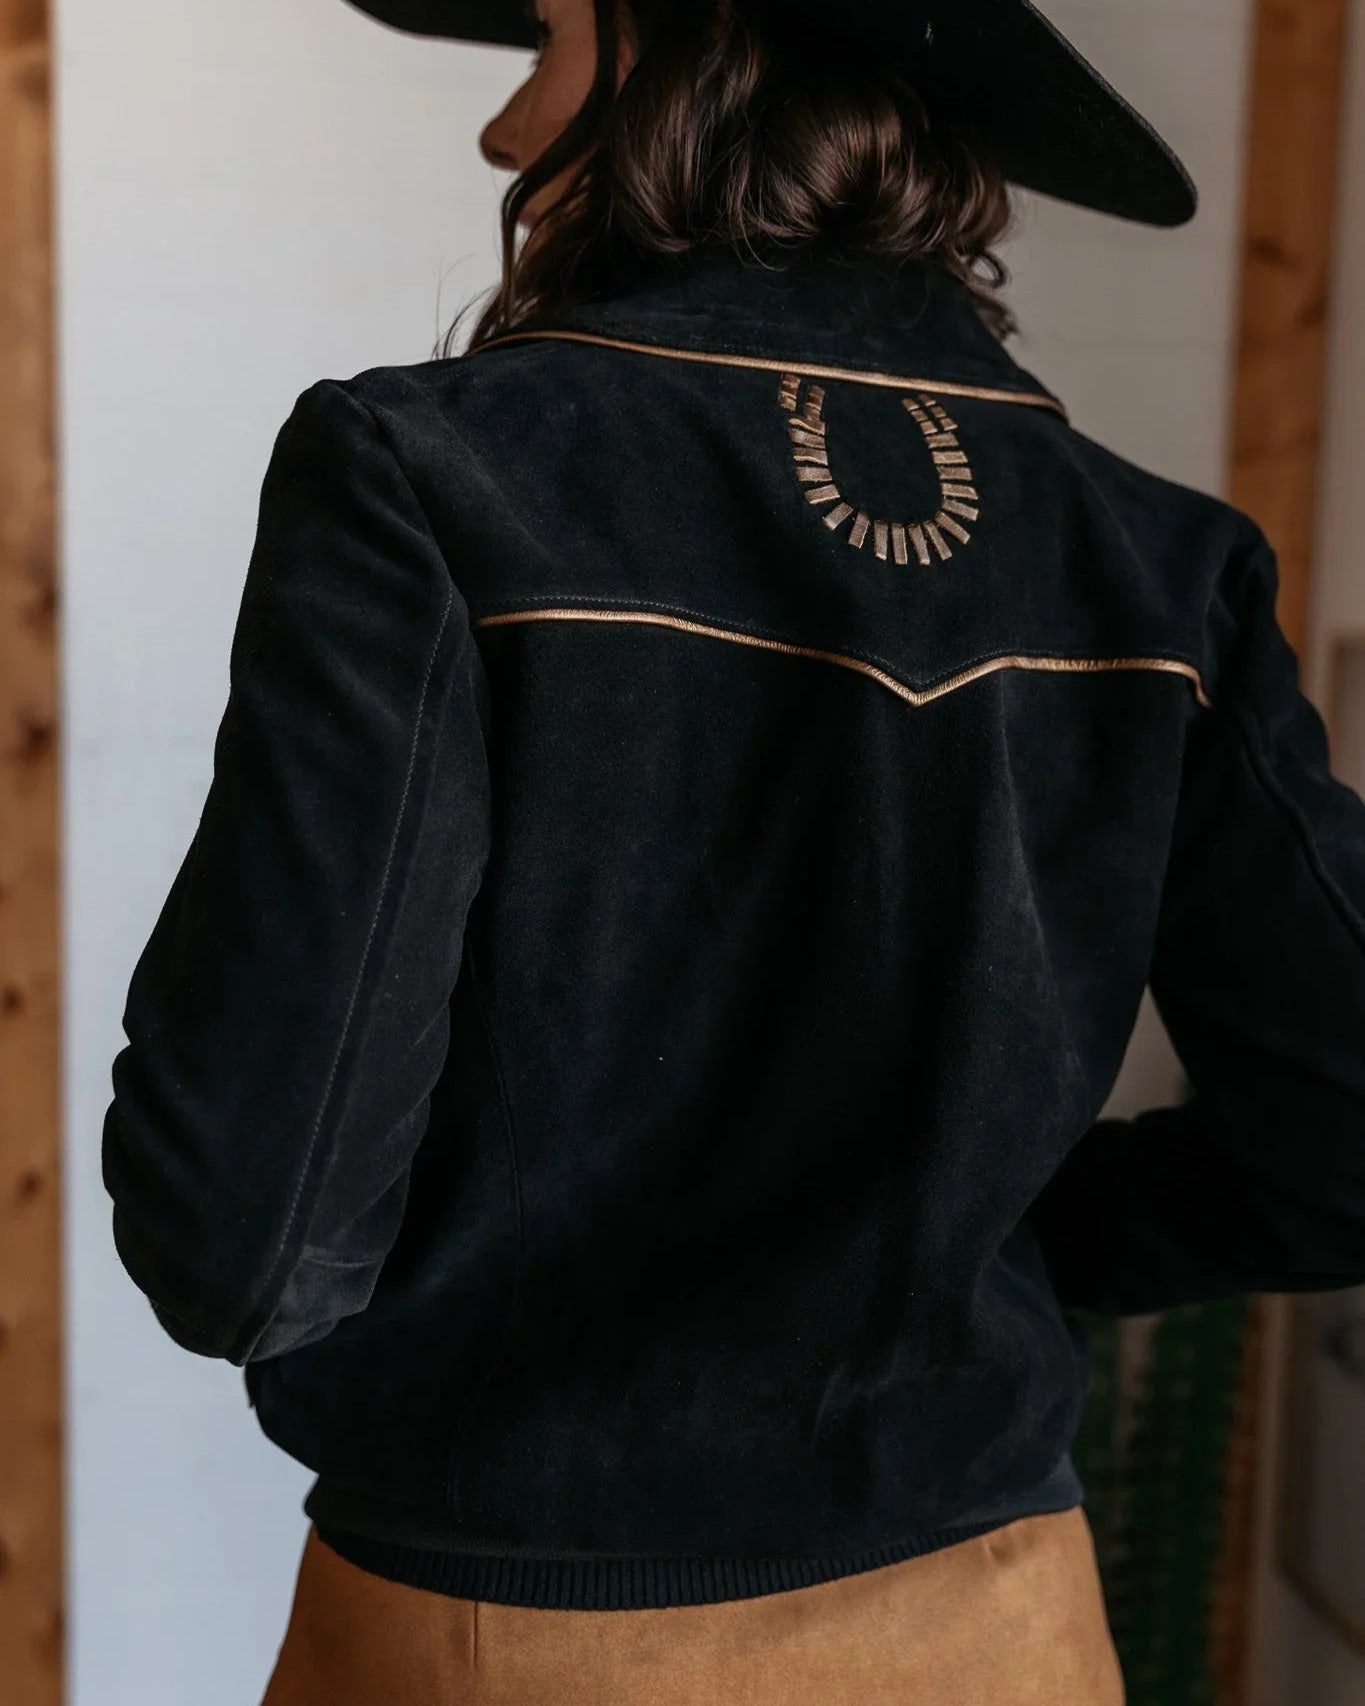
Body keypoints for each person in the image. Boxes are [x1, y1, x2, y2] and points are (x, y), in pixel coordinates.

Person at [98, 0, 1365, 1701]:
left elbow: (243, 1240)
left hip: (521, 1637)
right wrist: (1007, 1241)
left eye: (544, 35)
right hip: (1004, 1626)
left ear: (681, 48)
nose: (504, 131)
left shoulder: (422, 473)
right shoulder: (1158, 560)